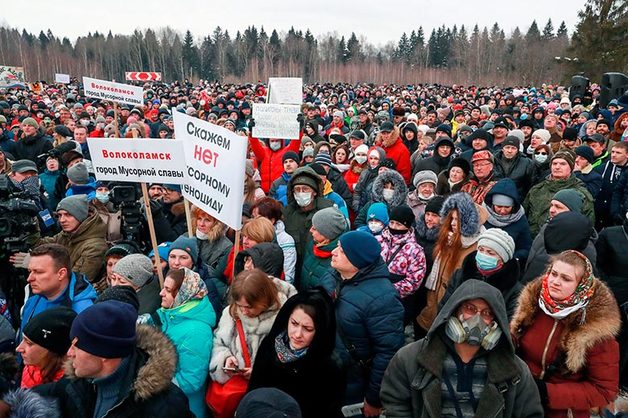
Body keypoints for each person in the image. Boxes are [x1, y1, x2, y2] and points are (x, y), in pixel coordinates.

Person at [1, 300, 194, 417]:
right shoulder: (78, 382)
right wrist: (10, 405)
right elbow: (41, 396)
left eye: (78, 345)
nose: (69, 352)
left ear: (104, 354)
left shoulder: (166, 406)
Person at [381, 280, 543, 418]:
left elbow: (530, 413)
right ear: (453, 310)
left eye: (487, 313)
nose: (477, 319)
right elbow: (395, 406)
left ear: (496, 322)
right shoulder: (410, 358)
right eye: (470, 309)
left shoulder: (515, 371)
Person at [511, 250, 621, 418]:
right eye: (553, 274)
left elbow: (604, 390)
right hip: (520, 401)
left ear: (581, 286)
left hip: (561, 411)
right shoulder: (533, 305)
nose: (555, 282)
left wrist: (548, 392)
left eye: (566, 279)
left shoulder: (596, 326)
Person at [327, 231, 404, 417]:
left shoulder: (383, 298)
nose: (333, 252)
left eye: (342, 251)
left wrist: (373, 399)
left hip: (354, 386)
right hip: (329, 375)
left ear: (358, 260)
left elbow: (387, 353)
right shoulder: (335, 275)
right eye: (337, 246)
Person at [248, 290, 345, 418]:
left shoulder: (329, 366)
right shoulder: (270, 344)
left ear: (320, 330)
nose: (297, 334)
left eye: (308, 329)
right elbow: (254, 391)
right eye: (294, 323)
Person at [416, 193, 486, 337]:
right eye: (452, 218)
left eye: (458, 219)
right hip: (434, 301)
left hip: (453, 306)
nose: (453, 223)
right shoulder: (448, 239)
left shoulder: (475, 246)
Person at [210, 269, 293, 385]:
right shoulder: (230, 313)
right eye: (240, 305)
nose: (243, 311)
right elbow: (219, 344)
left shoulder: (288, 317)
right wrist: (225, 359)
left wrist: (261, 373)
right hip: (236, 391)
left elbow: (291, 360)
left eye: (249, 307)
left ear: (263, 300)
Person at [153, 268, 216, 418]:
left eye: (168, 290)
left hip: (184, 408)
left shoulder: (196, 331)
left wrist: (151, 381)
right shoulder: (172, 316)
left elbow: (191, 381)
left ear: (183, 294)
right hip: (169, 403)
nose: (161, 293)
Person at [440, 228, 522, 319]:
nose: (484, 255)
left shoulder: (514, 291)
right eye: (481, 249)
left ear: (503, 260)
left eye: (490, 253)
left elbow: (508, 323)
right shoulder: (460, 274)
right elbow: (445, 306)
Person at [19, 244, 96, 338]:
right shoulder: (33, 298)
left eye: (38, 272)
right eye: (29, 271)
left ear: (61, 274)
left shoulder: (83, 312)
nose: (29, 278)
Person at [523, 150, 594, 236]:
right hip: (535, 242)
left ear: (571, 167)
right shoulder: (536, 190)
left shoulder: (581, 194)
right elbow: (524, 217)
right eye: (554, 163)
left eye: (563, 164)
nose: (557, 167)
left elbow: (587, 225)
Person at [376, 205, 427, 323]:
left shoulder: (415, 250)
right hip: (373, 296)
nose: (394, 227)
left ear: (408, 226)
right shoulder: (377, 240)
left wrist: (388, 291)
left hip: (398, 300)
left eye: (399, 224)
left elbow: (413, 281)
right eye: (392, 222)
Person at [282, 166, 333, 276]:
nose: (301, 193)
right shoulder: (287, 213)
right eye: (297, 189)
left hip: (317, 273)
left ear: (314, 192)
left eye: (305, 189)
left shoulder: (328, 212)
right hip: (294, 272)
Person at [523, 211, 598, 284]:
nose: (551, 210)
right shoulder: (588, 266)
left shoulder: (543, 262)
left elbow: (527, 290)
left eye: (566, 279)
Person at [17, 307, 76, 388]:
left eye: (29, 343)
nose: (18, 348)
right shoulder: (31, 368)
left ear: (52, 349)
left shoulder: (71, 387)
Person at [483, 178, 533, 264]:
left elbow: (526, 248)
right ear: (492, 204)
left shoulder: (520, 220)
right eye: (498, 206)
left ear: (513, 206)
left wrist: (512, 259)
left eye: (507, 207)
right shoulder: (482, 215)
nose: (502, 211)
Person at [300, 207, 347, 294]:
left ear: (327, 233)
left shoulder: (340, 257)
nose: (310, 230)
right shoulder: (313, 244)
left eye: (315, 228)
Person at [251, 197, 297, 284]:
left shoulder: (285, 240)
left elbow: (288, 274)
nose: (255, 221)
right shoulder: (250, 235)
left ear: (272, 220)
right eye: (253, 217)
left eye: (259, 218)